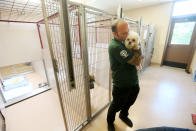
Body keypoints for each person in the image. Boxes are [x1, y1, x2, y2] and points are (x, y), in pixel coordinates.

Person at [107, 19, 141, 131]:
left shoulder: (124, 41)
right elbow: (136, 62)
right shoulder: (115, 46)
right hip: (121, 84)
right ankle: (110, 122)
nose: (127, 34)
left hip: (133, 81)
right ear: (115, 33)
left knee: (130, 100)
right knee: (116, 105)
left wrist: (137, 52)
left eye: (128, 31)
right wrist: (138, 51)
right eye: (124, 33)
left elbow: (137, 57)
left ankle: (123, 115)